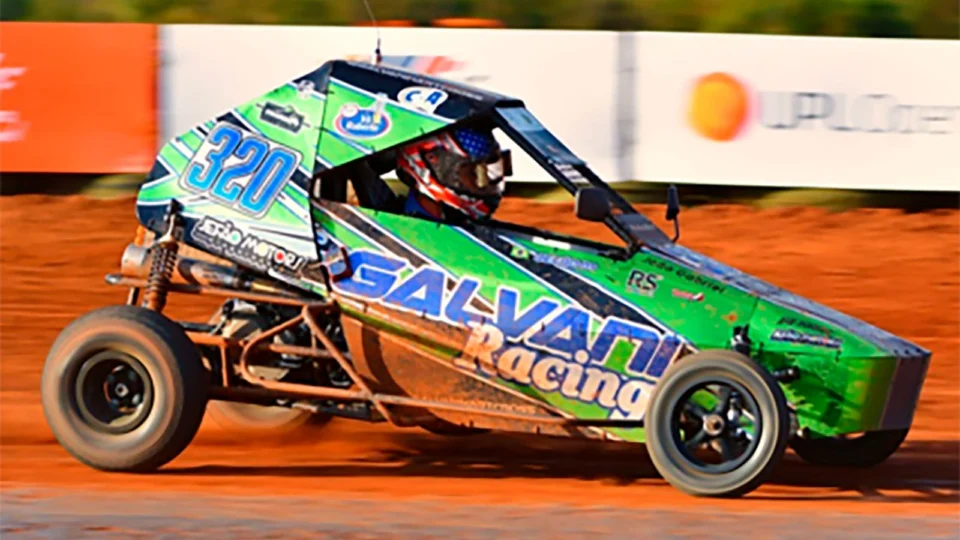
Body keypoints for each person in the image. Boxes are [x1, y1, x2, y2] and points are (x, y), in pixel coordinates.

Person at [396, 126, 511, 222]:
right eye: (478, 174)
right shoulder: (406, 234)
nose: (491, 186)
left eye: (499, 168)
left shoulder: (469, 226)